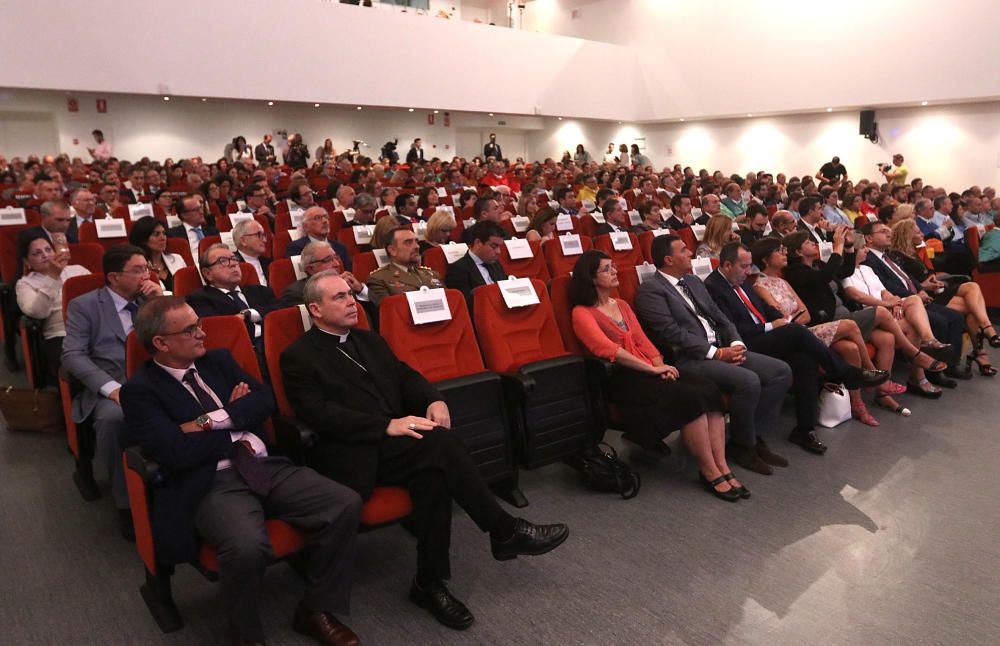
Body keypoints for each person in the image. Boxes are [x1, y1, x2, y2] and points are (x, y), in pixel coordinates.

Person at [280, 271, 569, 630]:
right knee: (438, 444)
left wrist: (434, 399)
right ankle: (502, 529)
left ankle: (430, 583)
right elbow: (320, 415)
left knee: (433, 475)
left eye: (350, 295)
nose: (351, 301)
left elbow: (406, 376)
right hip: (354, 451)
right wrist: (386, 425)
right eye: (339, 297)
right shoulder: (298, 356)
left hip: (399, 444)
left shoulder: (368, 340)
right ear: (316, 309)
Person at [123, 296, 362, 646]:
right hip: (212, 480)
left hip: (265, 463)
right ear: (161, 342)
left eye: (198, 324)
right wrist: (234, 417)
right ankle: (245, 635)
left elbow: (265, 401)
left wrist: (204, 422)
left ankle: (316, 609)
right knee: (246, 545)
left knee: (344, 503)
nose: (202, 333)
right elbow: (173, 450)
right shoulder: (140, 390)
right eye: (191, 329)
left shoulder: (217, 360)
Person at [568, 251, 741, 500]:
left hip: (650, 369)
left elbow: (642, 340)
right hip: (622, 377)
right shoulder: (582, 313)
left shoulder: (622, 305)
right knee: (691, 398)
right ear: (591, 278)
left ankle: (722, 465)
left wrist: (661, 364)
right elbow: (606, 349)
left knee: (709, 389)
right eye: (607, 269)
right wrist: (651, 369)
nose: (615, 271)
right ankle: (709, 470)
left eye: (614, 267)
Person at [633, 234, 792, 475]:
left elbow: (720, 316)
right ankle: (743, 446)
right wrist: (717, 354)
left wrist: (736, 342)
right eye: (683, 250)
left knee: (781, 372)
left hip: (723, 347)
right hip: (692, 358)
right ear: (668, 259)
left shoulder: (695, 282)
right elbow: (672, 334)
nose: (690, 253)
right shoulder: (651, 291)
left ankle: (753, 435)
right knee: (749, 381)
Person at [705, 242, 887, 441]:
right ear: (728, 265)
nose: (748, 271)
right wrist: (773, 326)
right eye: (743, 266)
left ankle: (805, 429)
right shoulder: (713, 287)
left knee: (805, 359)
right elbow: (732, 328)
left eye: (750, 266)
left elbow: (765, 310)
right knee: (795, 332)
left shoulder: (742, 281)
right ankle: (845, 372)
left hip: (766, 333)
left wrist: (779, 320)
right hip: (745, 341)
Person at [62, 245, 164, 538]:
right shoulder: (85, 305)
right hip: (113, 385)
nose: (147, 275)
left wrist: (159, 303)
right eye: (139, 270)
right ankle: (128, 504)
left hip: (156, 379)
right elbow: (72, 355)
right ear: (113, 277)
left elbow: (180, 334)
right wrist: (111, 389)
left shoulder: (150, 300)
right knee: (115, 419)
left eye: (147, 268)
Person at [751, 237, 910, 420]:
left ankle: (858, 404)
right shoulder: (760, 286)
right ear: (765, 259)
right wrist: (794, 319)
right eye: (779, 251)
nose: (784, 253)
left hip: (804, 329)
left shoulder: (783, 282)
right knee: (850, 325)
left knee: (851, 348)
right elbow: (781, 318)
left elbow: (806, 313)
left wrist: (794, 318)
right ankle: (873, 375)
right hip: (794, 335)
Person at [784, 228, 948, 398]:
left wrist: (847, 246)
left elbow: (844, 271)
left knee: (888, 337)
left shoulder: (817, 264)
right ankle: (911, 356)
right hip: (830, 319)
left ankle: (884, 393)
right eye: (808, 243)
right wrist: (837, 247)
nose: (814, 243)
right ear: (798, 251)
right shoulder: (795, 271)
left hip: (846, 314)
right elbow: (825, 277)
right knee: (883, 313)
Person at [884, 219, 997, 377]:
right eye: (917, 232)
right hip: (925, 296)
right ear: (906, 235)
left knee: (973, 288)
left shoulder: (913, 251)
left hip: (932, 291)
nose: (922, 234)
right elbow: (905, 281)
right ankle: (982, 345)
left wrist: (931, 280)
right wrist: (923, 286)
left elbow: (921, 274)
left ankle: (983, 338)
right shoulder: (896, 256)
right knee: (973, 307)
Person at [15, 232, 90, 383]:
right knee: (80, 365)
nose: (45, 255)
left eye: (48, 250)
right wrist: (52, 277)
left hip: (91, 327)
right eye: (37, 253)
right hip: (60, 334)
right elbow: (38, 312)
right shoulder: (25, 284)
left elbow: (99, 298)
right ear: (27, 261)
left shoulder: (78, 270)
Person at [186, 244, 284, 348]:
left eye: (234, 259)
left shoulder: (261, 291)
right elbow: (216, 328)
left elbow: (282, 309)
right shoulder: (200, 298)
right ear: (207, 273)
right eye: (223, 261)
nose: (233, 264)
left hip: (275, 344)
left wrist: (250, 314)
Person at [366, 228, 444, 306]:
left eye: (416, 241)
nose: (417, 246)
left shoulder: (432, 274)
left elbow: (449, 302)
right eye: (408, 242)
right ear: (393, 250)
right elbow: (389, 310)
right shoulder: (379, 279)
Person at [445, 221, 508, 313]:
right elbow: (466, 306)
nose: (499, 251)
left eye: (499, 246)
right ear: (478, 242)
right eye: (494, 246)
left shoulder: (495, 263)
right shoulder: (458, 269)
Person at [281, 242, 368, 306]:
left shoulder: (347, 284)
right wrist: (333, 287)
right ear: (310, 269)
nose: (337, 264)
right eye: (328, 260)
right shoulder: (296, 292)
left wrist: (360, 290)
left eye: (335, 258)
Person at [128, 217, 187, 293]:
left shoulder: (177, 259)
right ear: (143, 239)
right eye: (156, 234)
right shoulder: (137, 266)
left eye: (164, 233)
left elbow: (188, 287)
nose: (163, 238)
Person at [286, 206, 353, 272]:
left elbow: (348, 271)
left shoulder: (340, 247)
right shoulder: (296, 247)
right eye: (317, 218)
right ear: (306, 226)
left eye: (326, 217)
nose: (325, 221)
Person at [166, 194, 220, 264]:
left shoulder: (213, 232)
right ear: (183, 215)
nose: (201, 212)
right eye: (196, 210)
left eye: (201, 208)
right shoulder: (172, 235)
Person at [232, 218, 271, 287]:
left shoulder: (269, 263)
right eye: (259, 235)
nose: (264, 240)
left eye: (264, 235)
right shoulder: (232, 264)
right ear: (243, 241)